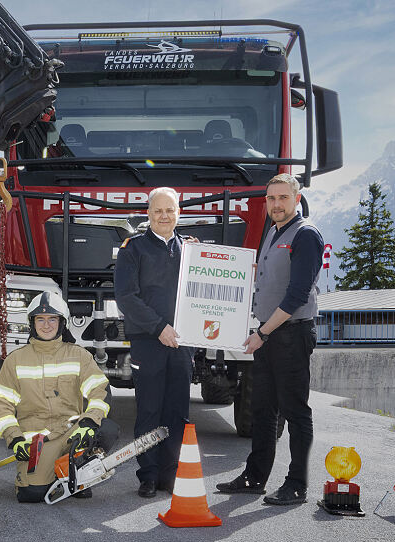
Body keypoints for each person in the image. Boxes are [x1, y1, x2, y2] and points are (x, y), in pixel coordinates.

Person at [217, 173, 324, 506]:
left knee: (295, 412)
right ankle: (255, 477)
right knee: (263, 410)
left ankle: (297, 484)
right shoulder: (273, 232)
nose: (276, 204)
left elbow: (296, 295)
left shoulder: (305, 235)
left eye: (283, 198)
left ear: (297, 198)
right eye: (271, 199)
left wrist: (263, 333)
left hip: (290, 334)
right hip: (269, 333)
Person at [0, 291, 119, 502]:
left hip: (72, 433)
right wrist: (15, 439)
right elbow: (2, 406)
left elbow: (100, 392)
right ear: (32, 323)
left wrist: (89, 422)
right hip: (36, 441)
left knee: (107, 429)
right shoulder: (15, 360)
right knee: (31, 494)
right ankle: (59, 474)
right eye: (40, 319)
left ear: (62, 323)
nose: (46, 325)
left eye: (52, 319)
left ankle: (80, 475)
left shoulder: (79, 355)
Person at [113, 186, 191, 498]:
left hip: (183, 343)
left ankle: (169, 475)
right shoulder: (133, 249)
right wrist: (159, 328)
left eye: (169, 210)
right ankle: (148, 475)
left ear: (178, 214)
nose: (164, 215)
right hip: (149, 341)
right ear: (148, 214)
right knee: (149, 410)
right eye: (158, 210)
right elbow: (126, 298)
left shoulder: (190, 250)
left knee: (177, 412)